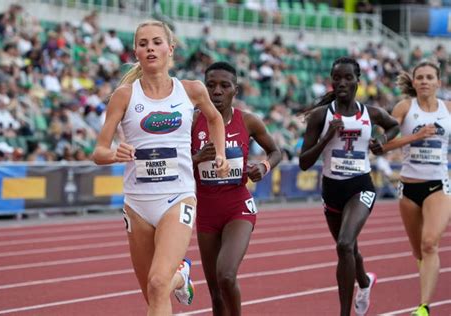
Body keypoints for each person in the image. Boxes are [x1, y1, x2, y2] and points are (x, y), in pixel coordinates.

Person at [92, 20, 230, 315]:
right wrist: (115, 153)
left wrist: (221, 153)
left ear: (170, 48)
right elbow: (98, 152)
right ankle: (181, 275)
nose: (150, 48)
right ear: (136, 52)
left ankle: (178, 274)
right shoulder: (125, 96)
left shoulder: (191, 90)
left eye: (156, 42)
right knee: (154, 295)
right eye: (143, 44)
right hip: (137, 205)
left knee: (157, 284)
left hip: (177, 197)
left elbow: (215, 119)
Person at [298, 57, 400, 316]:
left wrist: (382, 140)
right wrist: (326, 137)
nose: (342, 82)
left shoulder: (370, 113)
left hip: (361, 187)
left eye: (348, 77)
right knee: (349, 248)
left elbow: (393, 125)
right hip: (332, 190)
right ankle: (364, 282)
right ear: (332, 81)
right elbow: (304, 162)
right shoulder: (321, 116)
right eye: (337, 78)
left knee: (344, 244)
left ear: (358, 81)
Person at [191, 61, 281, 316]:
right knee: (216, 295)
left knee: (227, 275)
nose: (217, 91)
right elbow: (179, 165)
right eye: (210, 85)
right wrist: (197, 157)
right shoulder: (192, 122)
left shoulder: (248, 121)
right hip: (206, 212)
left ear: (235, 91)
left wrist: (263, 166)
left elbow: (276, 151)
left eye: (224, 86)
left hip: (237, 207)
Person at [381, 61, 450, 316]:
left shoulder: (448, 109)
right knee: (418, 251)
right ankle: (426, 272)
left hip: (438, 186)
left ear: (438, 82)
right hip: (408, 189)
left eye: (429, 77)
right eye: (419, 77)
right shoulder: (404, 108)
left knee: (430, 243)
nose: (424, 81)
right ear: (413, 82)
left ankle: (423, 308)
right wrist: (415, 137)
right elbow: (381, 146)